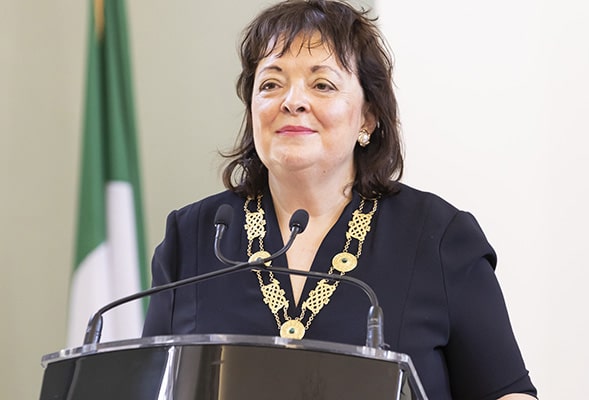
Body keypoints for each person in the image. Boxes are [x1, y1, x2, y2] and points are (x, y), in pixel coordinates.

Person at [143, 1, 537, 398]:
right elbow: (150, 386)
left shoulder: (438, 238)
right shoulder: (192, 237)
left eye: (322, 85)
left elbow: (508, 394)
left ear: (368, 117)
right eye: (271, 84)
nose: (292, 101)